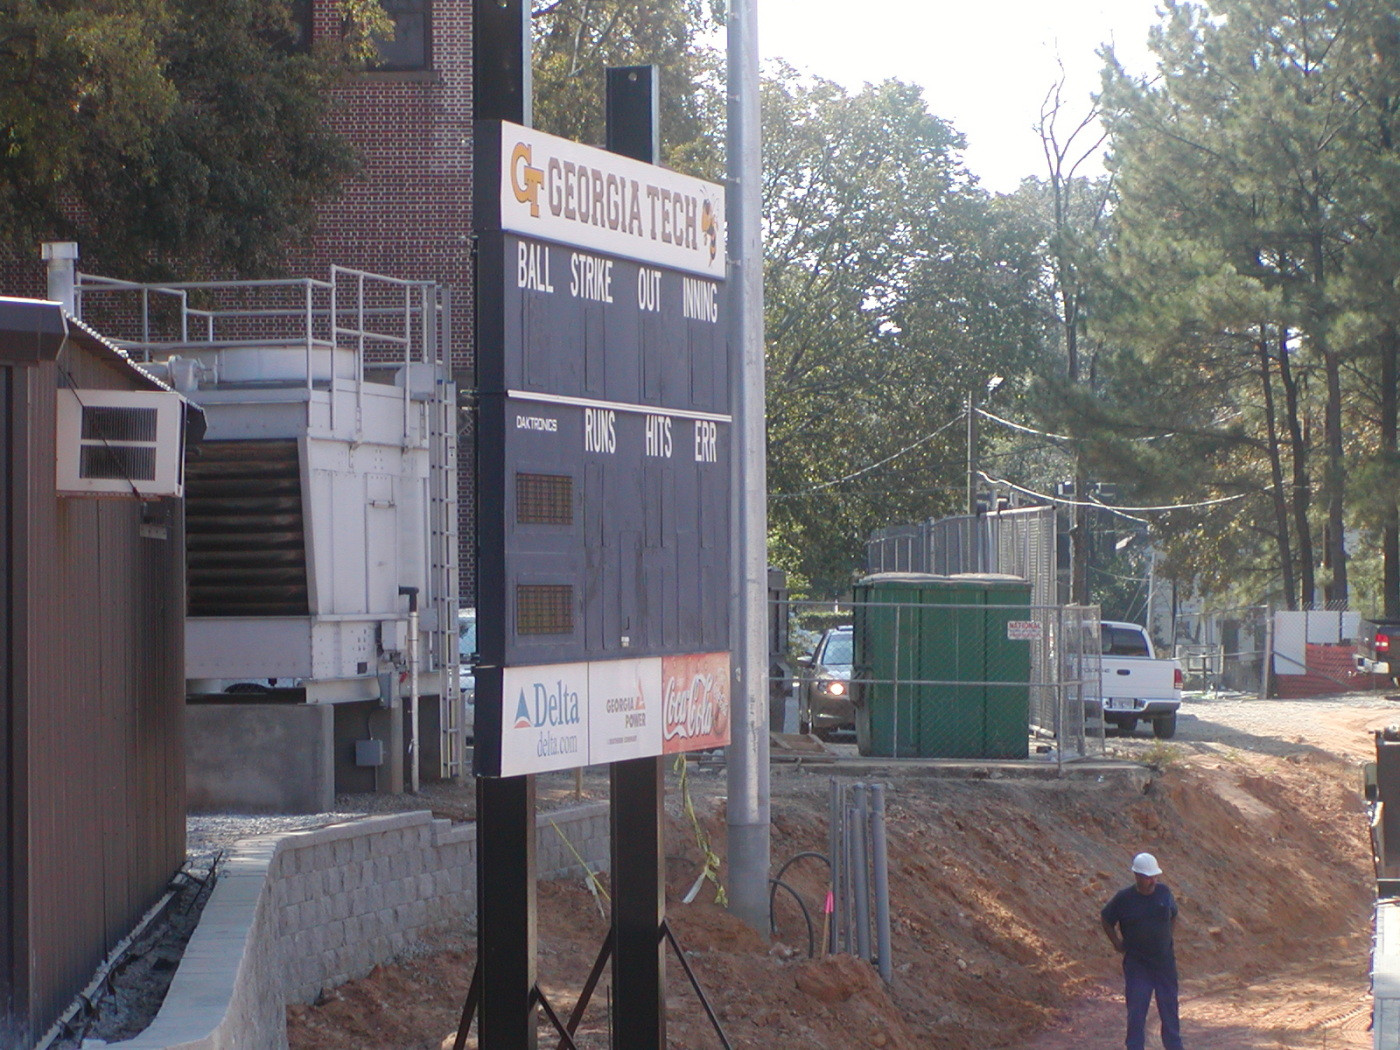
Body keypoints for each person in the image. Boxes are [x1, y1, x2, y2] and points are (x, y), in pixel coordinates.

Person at [1100, 852, 1184, 1050]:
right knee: (1137, 1012)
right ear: (1137, 875)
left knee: (1169, 1010)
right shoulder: (1124, 899)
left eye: (1155, 876)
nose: (1153, 881)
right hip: (1138, 966)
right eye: (1148, 877)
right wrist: (1116, 943)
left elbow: (1173, 914)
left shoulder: (1164, 892)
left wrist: (1167, 937)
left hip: (1164, 964)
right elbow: (1106, 918)